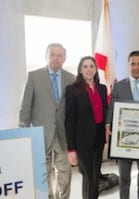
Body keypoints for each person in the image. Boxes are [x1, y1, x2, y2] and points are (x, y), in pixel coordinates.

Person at [19, 43, 74, 199]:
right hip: (41, 134)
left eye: (59, 55)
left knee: (64, 171)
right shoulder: (34, 76)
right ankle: (48, 196)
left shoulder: (71, 78)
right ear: (46, 56)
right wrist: (24, 133)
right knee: (43, 172)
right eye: (52, 54)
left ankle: (62, 197)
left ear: (64, 58)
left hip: (63, 134)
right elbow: (25, 108)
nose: (55, 58)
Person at [105, 50, 139, 199]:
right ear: (128, 65)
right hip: (123, 140)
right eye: (132, 63)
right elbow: (112, 107)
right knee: (124, 177)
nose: (136, 67)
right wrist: (108, 124)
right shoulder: (119, 86)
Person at [65, 56, 108, 199]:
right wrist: (70, 149)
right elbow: (69, 121)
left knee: (95, 174)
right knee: (89, 175)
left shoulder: (102, 89)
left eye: (92, 66)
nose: (89, 69)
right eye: (85, 66)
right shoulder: (72, 90)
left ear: (96, 69)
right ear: (80, 70)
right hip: (82, 141)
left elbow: (106, 112)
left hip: (99, 139)